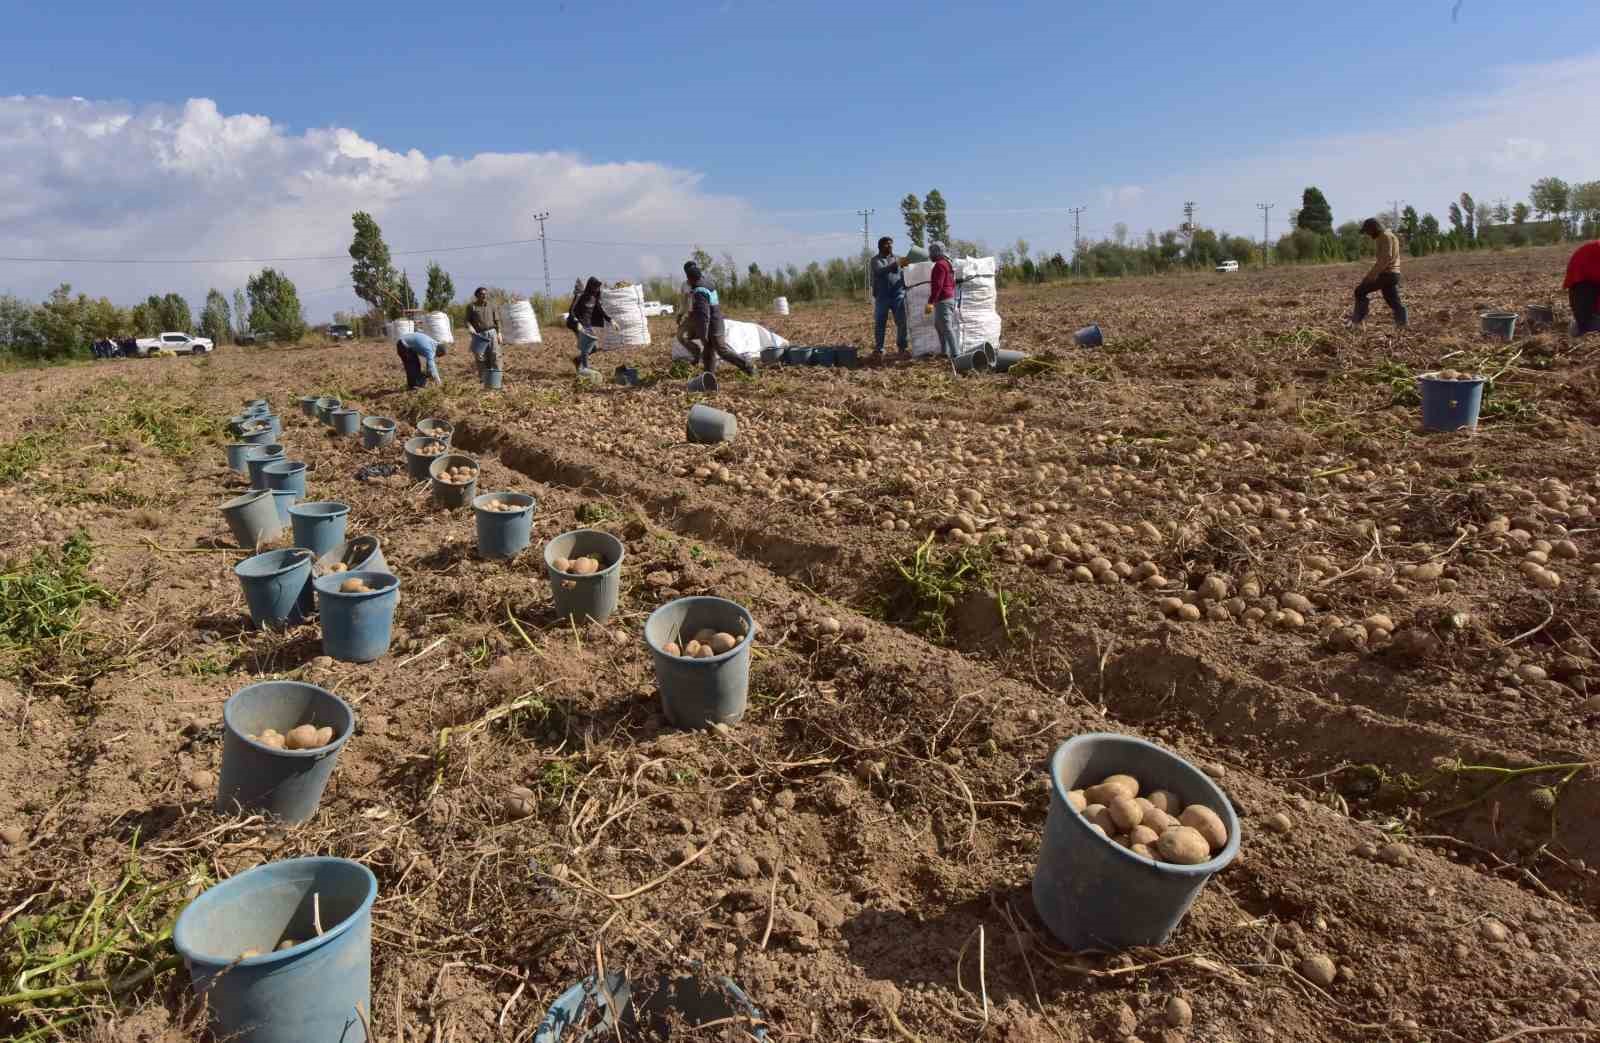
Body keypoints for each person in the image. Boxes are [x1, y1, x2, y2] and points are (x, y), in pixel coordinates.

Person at [682, 262, 755, 377]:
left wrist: (703, 334)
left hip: (713, 324)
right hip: (716, 320)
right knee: (708, 351)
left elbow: (704, 316)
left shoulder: (699, 291)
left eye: (688, 279)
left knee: (722, 350)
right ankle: (708, 376)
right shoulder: (707, 283)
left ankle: (748, 366)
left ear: (690, 278)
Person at [1350, 218, 1407, 328]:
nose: (1367, 234)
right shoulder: (1387, 235)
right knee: (1393, 300)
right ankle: (1402, 325)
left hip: (1388, 274)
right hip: (1392, 274)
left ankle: (1357, 322)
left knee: (1360, 291)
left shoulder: (1385, 236)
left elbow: (1386, 258)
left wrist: (1371, 276)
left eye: (1368, 231)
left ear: (1374, 228)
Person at [869, 236, 910, 358]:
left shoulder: (897, 258)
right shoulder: (875, 260)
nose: (890, 246)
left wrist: (908, 264)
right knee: (880, 323)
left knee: (902, 322)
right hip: (882, 296)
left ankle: (902, 348)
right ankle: (879, 349)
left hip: (898, 294)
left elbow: (906, 271)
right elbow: (879, 271)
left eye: (891, 244)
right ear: (880, 246)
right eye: (887, 244)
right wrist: (895, 265)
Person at [567, 277, 610, 373]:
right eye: (595, 287)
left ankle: (578, 360)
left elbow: (601, 311)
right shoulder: (580, 296)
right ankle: (585, 368)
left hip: (587, 325)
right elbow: (571, 310)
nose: (597, 289)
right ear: (590, 286)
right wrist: (577, 323)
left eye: (598, 287)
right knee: (586, 346)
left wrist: (610, 320)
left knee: (594, 348)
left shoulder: (595, 298)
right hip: (577, 324)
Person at [926, 242, 960, 359]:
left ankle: (956, 354)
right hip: (948, 298)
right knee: (939, 325)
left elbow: (938, 285)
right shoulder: (947, 263)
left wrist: (931, 302)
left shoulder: (940, 265)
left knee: (946, 327)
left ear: (937, 252)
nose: (930, 255)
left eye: (931, 252)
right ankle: (944, 351)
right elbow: (952, 283)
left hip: (943, 300)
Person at [1564, 239, 1600, 337]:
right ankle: (1583, 328)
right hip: (1583, 274)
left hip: (1580, 274)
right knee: (1587, 319)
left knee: (1583, 316)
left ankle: (1580, 328)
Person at [465, 286, 500, 372]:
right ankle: (484, 378)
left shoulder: (492, 305)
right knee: (480, 356)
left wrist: (499, 333)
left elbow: (497, 320)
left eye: (485, 294)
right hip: (479, 335)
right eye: (482, 294)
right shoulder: (471, 307)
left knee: (495, 355)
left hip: (492, 333)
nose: (484, 296)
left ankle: (496, 377)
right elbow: (467, 320)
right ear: (477, 296)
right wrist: (470, 327)